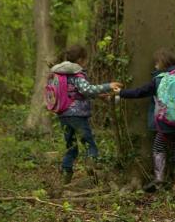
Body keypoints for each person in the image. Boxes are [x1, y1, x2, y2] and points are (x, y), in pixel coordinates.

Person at [113, 48, 175, 192]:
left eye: (156, 63)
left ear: (161, 63)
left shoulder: (160, 79)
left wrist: (121, 93)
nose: (155, 65)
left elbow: (140, 92)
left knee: (158, 148)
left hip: (166, 125)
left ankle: (159, 179)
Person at [51, 44, 122, 185]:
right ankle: (91, 165)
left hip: (63, 115)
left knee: (71, 146)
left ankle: (66, 173)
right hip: (77, 115)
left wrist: (101, 95)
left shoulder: (59, 75)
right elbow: (86, 90)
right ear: (81, 60)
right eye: (85, 60)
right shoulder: (77, 75)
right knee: (89, 144)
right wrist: (108, 85)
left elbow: (76, 93)